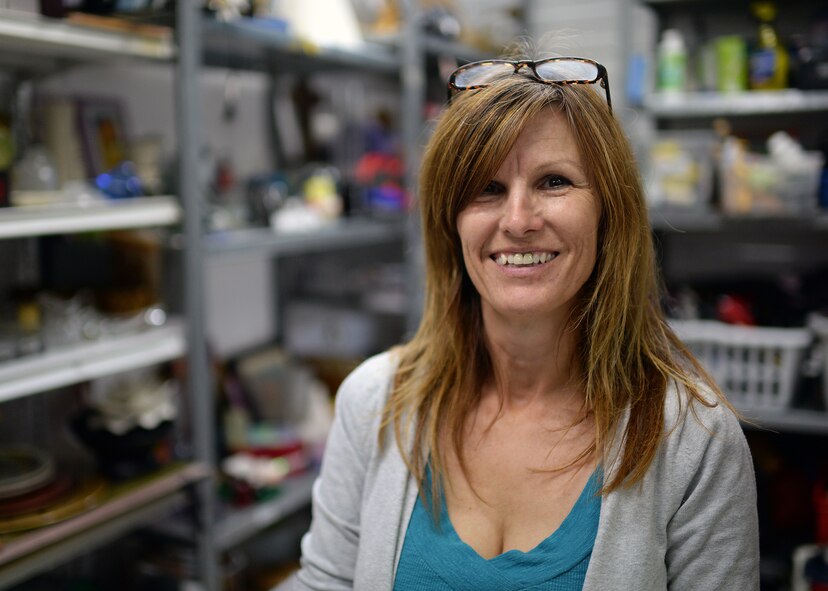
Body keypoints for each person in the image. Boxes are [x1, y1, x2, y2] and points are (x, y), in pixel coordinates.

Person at [281, 55, 759, 590]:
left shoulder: (694, 441)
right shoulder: (373, 403)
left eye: (554, 181)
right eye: (486, 189)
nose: (517, 221)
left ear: (609, 212)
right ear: (451, 223)